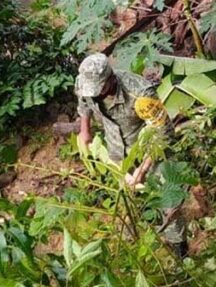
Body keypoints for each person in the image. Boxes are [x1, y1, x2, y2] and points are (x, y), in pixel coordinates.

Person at [75, 53, 187, 255]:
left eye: (99, 91)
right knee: (130, 198)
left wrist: (142, 170)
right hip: (118, 151)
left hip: (150, 150)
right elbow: (83, 104)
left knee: (169, 201)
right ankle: (141, 229)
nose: (94, 96)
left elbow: (164, 133)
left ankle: (179, 247)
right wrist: (85, 131)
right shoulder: (85, 85)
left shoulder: (140, 93)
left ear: (111, 80)